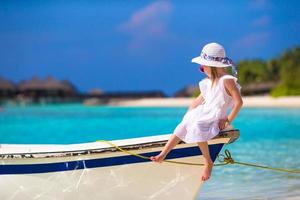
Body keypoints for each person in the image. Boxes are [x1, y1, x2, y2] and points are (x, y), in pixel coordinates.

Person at [150, 42, 243, 181]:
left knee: (198, 124)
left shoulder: (227, 80)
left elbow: (239, 102)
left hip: (216, 115)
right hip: (205, 112)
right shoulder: (207, 82)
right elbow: (196, 102)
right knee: (184, 124)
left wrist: (228, 119)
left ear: (211, 66)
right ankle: (163, 154)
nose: (201, 69)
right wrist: (188, 115)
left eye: (202, 66)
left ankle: (208, 162)